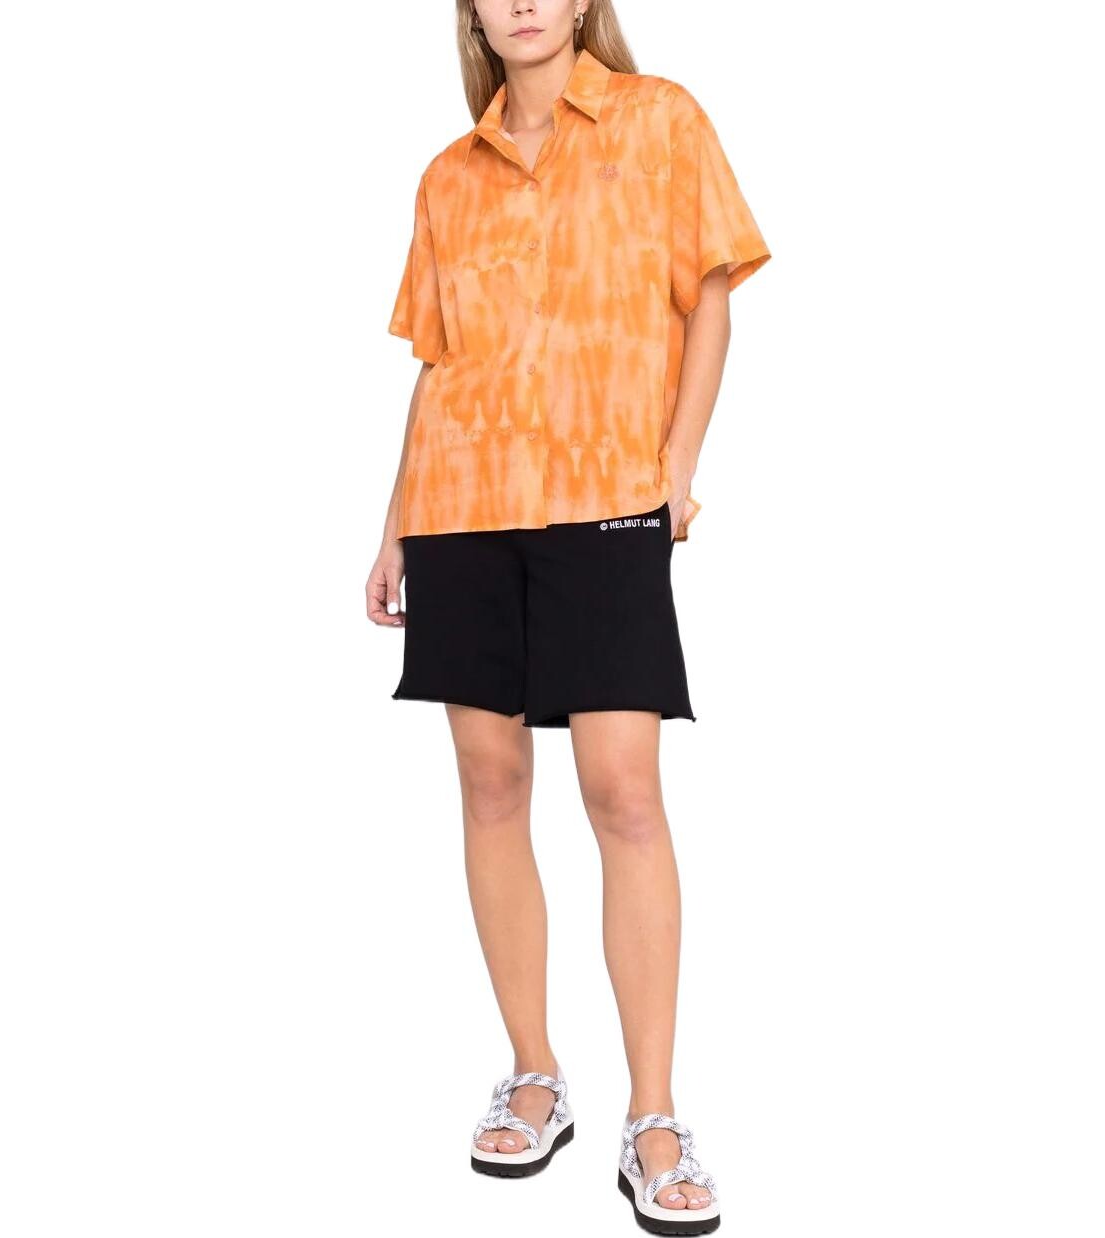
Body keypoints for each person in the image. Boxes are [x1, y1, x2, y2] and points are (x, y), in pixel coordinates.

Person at [367, 2, 768, 1231]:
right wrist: (392, 527)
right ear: (473, 12)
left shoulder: (659, 122)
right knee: (490, 783)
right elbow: (438, 365)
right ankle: (534, 1072)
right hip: (463, 504)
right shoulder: (448, 175)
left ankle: (653, 1114)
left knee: (622, 791)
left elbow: (709, 299)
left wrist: (676, 466)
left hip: (605, 497)